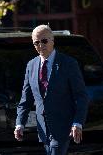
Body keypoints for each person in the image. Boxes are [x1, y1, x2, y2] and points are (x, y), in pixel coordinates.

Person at [14, 25, 89, 155]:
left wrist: (77, 122)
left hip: (63, 128)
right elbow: (25, 100)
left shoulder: (68, 63)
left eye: (44, 41)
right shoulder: (31, 65)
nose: (40, 45)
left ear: (52, 40)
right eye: (36, 43)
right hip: (43, 130)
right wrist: (20, 124)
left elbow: (81, 96)